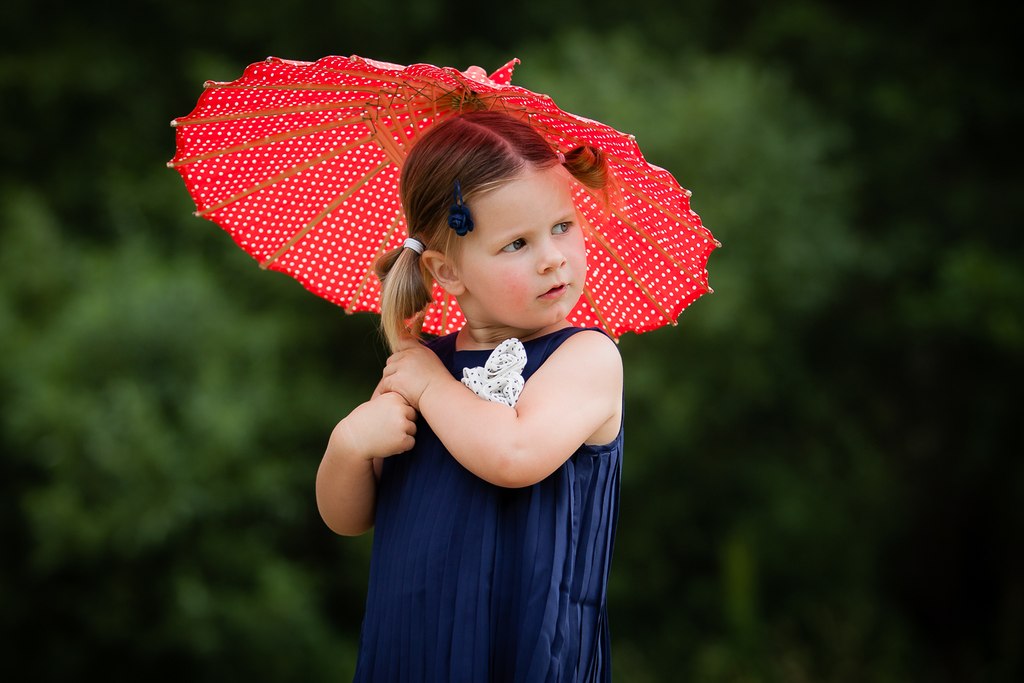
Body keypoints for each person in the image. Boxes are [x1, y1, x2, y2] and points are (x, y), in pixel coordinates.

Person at [316, 110, 624, 682]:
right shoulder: (420, 366)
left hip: (528, 647)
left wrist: (431, 385)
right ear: (448, 271)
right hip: (415, 647)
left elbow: (513, 455)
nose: (553, 256)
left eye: (562, 225)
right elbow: (349, 517)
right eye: (517, 243)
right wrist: (349, 445)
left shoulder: (585, 359)